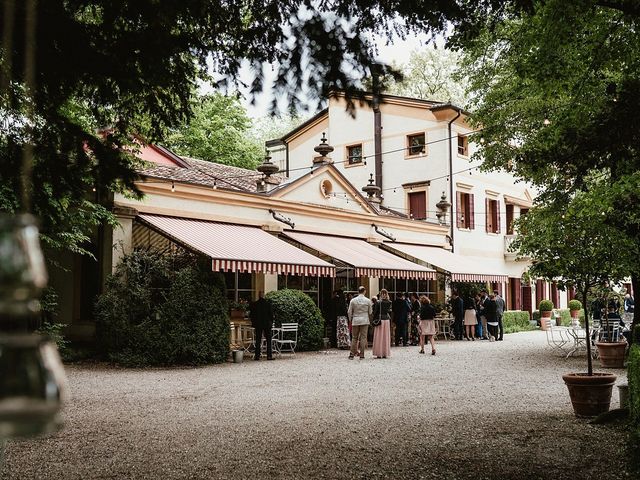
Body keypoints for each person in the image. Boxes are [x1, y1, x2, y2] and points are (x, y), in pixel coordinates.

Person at [348, 286, 372, 360]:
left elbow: (349, 312)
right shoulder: (368, 301)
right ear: (364, 291)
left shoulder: (353, 300)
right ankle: (362, 355)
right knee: (363, 338)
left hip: (355, 320)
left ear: (358, 291)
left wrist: (350, 319)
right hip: (364, 320)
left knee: (354, 338)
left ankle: (352, 354)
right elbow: (370, 312)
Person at [250, 291, 274, 361]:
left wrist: (254, 323)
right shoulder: (268, 304)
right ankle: (269, 356)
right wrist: (271, 322)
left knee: (258, 340)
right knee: (268, 340)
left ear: (258, 296)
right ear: (263, 296)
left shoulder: (255, 304)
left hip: (258, 324)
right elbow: (271, 315)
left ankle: (257, 356)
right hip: (266, 324)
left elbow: (252, 315)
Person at [372, 288, 392, 358]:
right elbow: (389, 311)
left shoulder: (378, 302)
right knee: (385, 337)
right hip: (386, 320)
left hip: (380, 320)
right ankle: (385, 353)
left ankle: (379, 353)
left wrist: (373, 320)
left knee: (379, 337)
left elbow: (375, 312)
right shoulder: (389, 302)